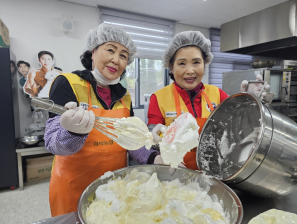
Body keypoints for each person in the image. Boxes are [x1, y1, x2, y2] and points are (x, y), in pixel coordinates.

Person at [129, 31, 269, 170]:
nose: (190, 70)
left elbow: (241, 129)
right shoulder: (159, 98)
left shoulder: (217, 94)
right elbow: (151, 142)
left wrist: (248, 103)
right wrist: (156, 142)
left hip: (213, 172)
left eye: (196, 62)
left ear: (204, 64)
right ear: (171, 67)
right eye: (182, 63)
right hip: (175, 174)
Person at [44, 23, 141, 216]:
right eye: (110, 50)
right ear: (93, 51)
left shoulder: (125, 96)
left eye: (123, 55)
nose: (116, 60)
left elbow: (131, 140)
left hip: (115, 187)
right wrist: (71, 132)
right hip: (74, 187)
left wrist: (154, 155)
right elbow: (53, 143)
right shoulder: (68, 83)